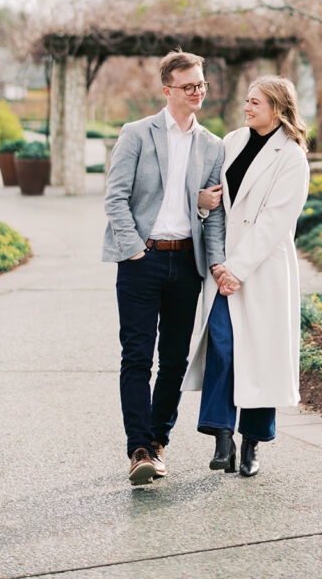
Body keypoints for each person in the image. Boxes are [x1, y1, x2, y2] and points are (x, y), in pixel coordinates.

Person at [102, 50, 225, 485]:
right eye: (188, 86)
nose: (197, 92)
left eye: (201, 85)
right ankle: (138, 448)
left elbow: (213, 213)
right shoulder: (137, 133)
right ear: (167, 90)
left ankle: (157, 442)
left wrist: (215, 262)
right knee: (137, 356)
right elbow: (115, 197)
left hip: (186, 262)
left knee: (174, 360)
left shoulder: (213, 145)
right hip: (142, 259)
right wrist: (134, 250)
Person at [182, 75, 310, 478]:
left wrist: (237, 269)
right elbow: (217, 205)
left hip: (264, 269)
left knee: (260, 355)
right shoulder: (232, 142)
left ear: (277, 108)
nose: (247, 107)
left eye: (255, 102)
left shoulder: (292, 157)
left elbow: (275, 221)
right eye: (247, 100)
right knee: (221, 345)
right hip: (224, 268)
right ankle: (222, 436)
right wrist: (220, 263)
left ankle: (252, 442)